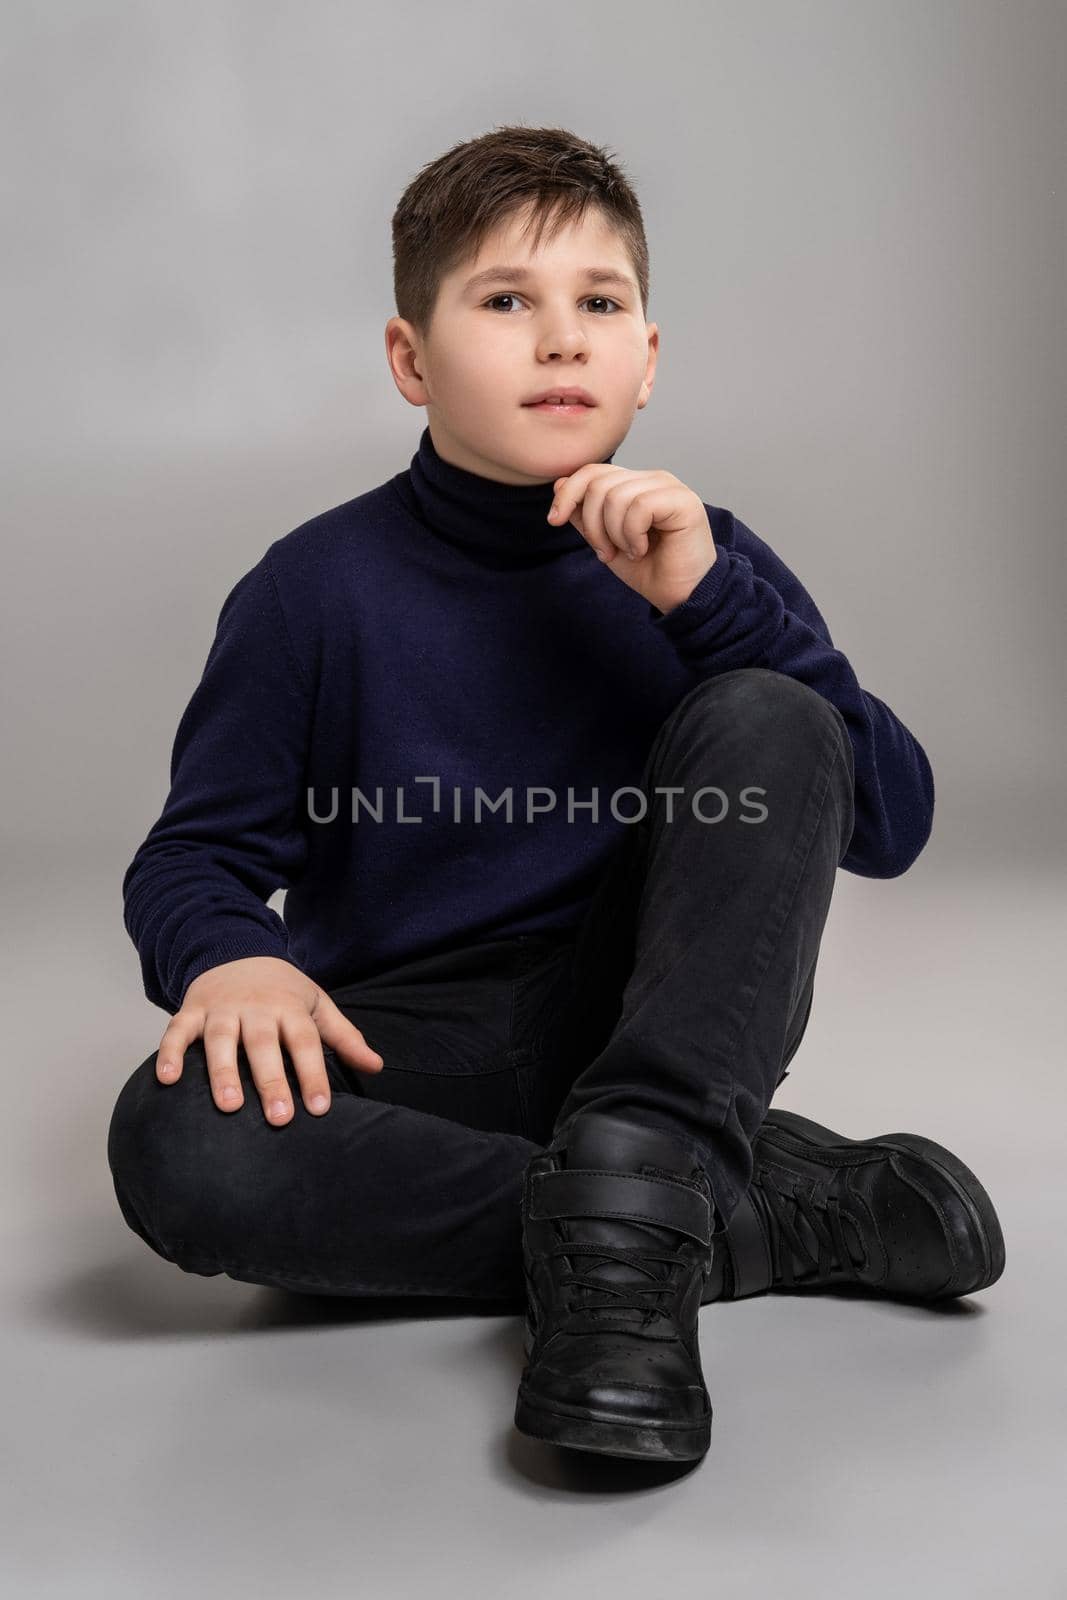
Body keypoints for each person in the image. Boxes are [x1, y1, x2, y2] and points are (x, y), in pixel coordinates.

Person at [108, 124, 1005, 1466]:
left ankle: (646, 1163)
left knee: (771, 708)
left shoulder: (707, 563)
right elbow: (193, 857)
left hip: (651, 1025)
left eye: (600, 305)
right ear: (413, 360)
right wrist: (230, 957)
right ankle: (727, 1214)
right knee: (177, 1141)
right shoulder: (311, 590)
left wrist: (713, 611)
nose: (561, 340)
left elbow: (894, 819)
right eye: (506, 302)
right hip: (413, 1047)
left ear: (647, 357)